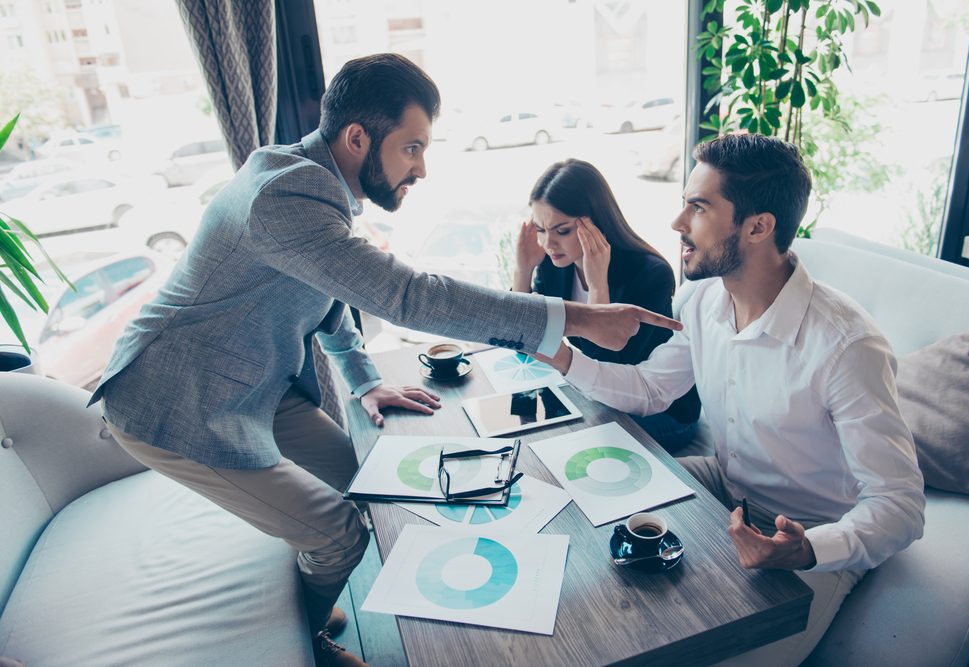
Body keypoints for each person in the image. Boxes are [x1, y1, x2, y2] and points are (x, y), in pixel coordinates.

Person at [89, 53, 678, 667]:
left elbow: (326, 294)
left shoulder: (311, 182)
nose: (421, 168)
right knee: (340, 535)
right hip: (177, 401)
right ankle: (306, 643)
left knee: (371, 479)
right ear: (357, 138)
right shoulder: (287, 194)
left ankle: (303, 599)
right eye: (412, 148)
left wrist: (364, 379)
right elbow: (407, 296)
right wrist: (579, 317)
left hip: (253, 384)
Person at [535, 134, 925, 666]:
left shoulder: (847, 346)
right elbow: (651, 389)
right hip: (726, 485)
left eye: (698, 208)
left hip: (810, 531)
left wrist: (808, 549)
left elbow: (900, 505)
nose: (677, 223)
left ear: (758, 227)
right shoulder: (701, 298)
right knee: (585, 500)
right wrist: (562, 355)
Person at [512, 158, 701, 450]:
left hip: (664, 411)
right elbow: (522, 346)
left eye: (562, 231)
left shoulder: (650, 274)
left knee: (565, 443)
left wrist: (598, 286)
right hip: (596, 395)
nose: (548, 244)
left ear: (596, 223)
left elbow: (608, 369)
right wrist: (522, 270)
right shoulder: (553, 266)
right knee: (527, 426)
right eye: (541, 229)